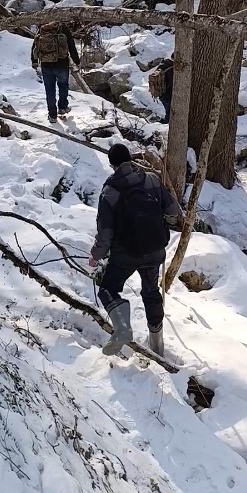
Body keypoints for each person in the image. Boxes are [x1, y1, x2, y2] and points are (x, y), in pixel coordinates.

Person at [89, 143, 180, 357]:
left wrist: (95, 255)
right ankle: (157, 347)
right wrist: (166, 222)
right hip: (154, 250)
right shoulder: (151, 179)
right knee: (151, 292)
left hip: (126, 254)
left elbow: (105, 233)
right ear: (130, 159)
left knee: (108, 290)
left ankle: (122, 328)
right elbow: (173, 210)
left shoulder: (110, 191)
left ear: (112, 165)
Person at [31, 22, 80, 123]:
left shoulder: (43, 29)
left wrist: (34, 61)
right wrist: (77, 61)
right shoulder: (63, 28)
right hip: (61, 64)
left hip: (46, 64)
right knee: (63, 85)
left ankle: (52, 115)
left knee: (49, 90)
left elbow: (34, 46)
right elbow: (71, 45)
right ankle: (62, 107)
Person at [159, 54, 174, 124]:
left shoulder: (164, 63)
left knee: (168, 111)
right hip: (168, 93)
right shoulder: (173, 67)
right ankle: (166, 124)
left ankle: (165, 122)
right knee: (170, 112)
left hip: (160, 92)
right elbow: (171, 82)